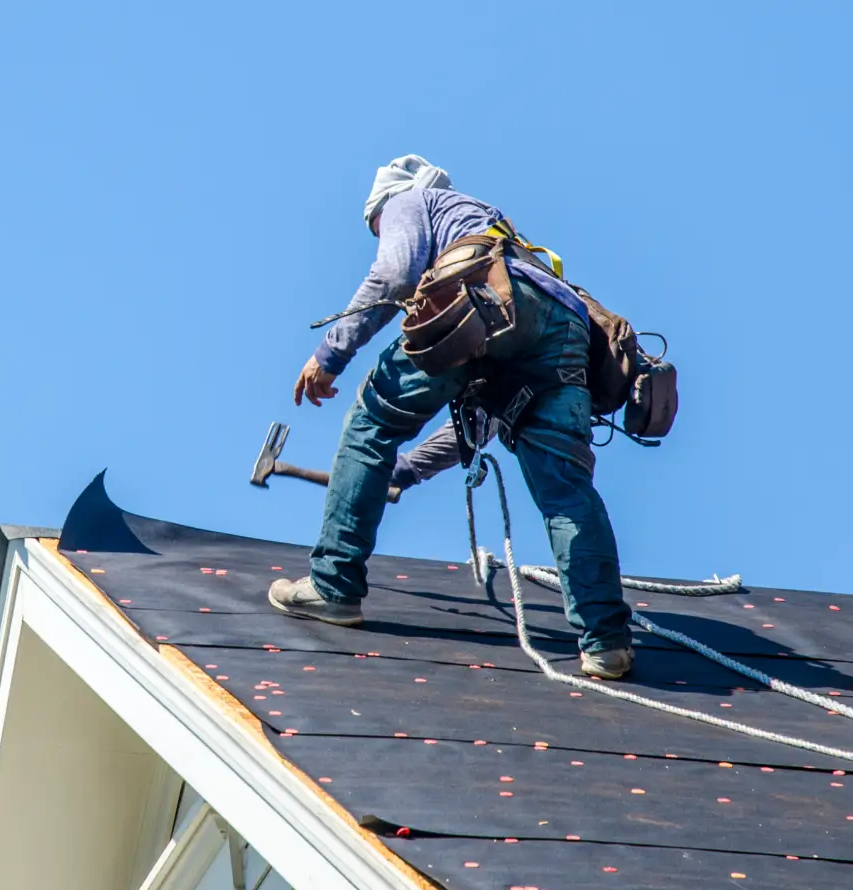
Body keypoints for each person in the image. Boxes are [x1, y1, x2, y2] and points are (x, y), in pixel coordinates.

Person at [269, 155, 634, 679]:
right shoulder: (498, 230)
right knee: (566, 492)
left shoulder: (409, 201)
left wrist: (329, 356)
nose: (382, 232)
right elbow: (483, 416)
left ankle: (333, 586)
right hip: (562, 328)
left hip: (477, 299)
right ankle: (606, 644)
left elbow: (394, 275)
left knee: (371, 426)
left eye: (377, 227)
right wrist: (409, 469)